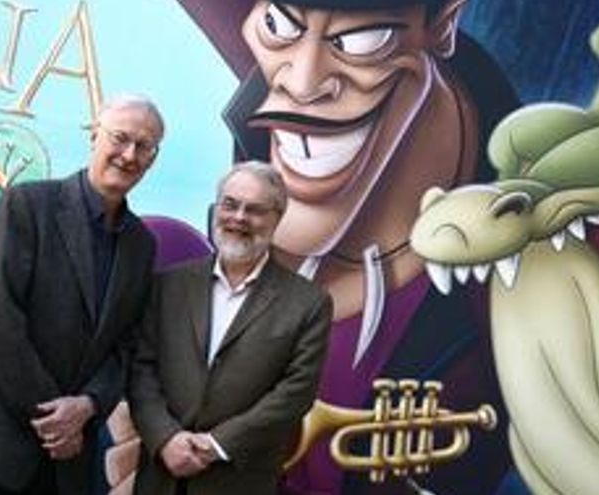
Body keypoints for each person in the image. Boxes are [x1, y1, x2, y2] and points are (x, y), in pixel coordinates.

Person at [172, 0, 519, 493]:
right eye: (278, 25)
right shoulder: (203, 248)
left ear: (442, 23)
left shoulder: (513, 302)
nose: (303, 82)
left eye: (360, 39)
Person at [0, 94, 164, 495]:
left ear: (152, 159)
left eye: (144, 146)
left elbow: (126, 345)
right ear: (94, 136)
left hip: (67, 467)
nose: (129, 155)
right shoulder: (26, 204)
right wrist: (56, 419)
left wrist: (88, 405)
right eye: (120, 138)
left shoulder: (142, 244)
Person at [128, 161, 333, 495]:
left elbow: (296, 393)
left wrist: (216, 445)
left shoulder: (309, 303)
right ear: (215, 209)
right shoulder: (167, 285)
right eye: (230, 204)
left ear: (277, 218)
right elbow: (140, 370)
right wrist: (164, 438)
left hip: (240, 480)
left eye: (255, 210)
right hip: (159, 478)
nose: (238, 218)